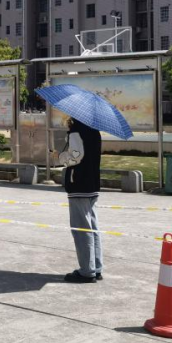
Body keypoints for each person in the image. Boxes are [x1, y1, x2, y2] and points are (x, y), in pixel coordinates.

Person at [59, 117, 103, 284]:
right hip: (92, 184)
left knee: (81, 229)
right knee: (92, 227)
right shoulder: (94, 130)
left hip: (79, 184)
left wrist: (60, 157)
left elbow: (75, 157)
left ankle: (87, 271)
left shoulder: (77, 131)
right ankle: (96, 267)